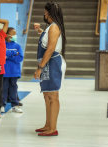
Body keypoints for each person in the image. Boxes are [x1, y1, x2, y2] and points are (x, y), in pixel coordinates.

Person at [33, 1, 66, 136]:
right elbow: (48, 41)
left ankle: (53, 128)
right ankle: (48, 125)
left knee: (53, 96)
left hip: (51, 63)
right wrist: (40, 31)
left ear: (51, 13)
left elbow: (51, 48)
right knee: (47, 95)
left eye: (46, 13)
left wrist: (39, 68)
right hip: (48, 63)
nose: (44, 15)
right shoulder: (51, 27)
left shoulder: (54, 27)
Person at [2, 27, 24, 113]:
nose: (15, 35)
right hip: (5, 72)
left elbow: (20, 58)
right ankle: (2, 105)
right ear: (7, 35)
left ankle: (15, 105)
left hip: (14, 72)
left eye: (15, 34)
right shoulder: (3, 45)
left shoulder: (17, 46)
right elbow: (3, 54)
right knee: (4, 88)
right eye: (13, 34)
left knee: (13, 88)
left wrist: (8, 57)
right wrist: (14, 53)